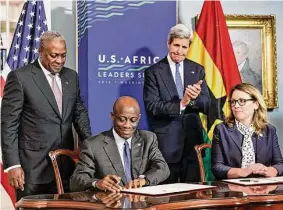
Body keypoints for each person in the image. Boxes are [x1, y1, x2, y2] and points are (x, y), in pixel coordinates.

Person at [1, 31, 92, 201]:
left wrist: (91, 147)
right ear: (40, 52)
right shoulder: (20, 78)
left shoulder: (71, 77)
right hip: (32, 168)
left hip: (65, 166)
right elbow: (8, 124)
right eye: (54, 55)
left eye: (63, 55)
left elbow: (78, 113)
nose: (59, 60)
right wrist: (13, 165)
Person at [143, 24, 210, 183]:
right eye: (176, 45)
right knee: (168, 196)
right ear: (168, 43)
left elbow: (207, 104)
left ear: (189, 47)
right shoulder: (153, 72)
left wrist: (193, 99)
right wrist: (182, 103)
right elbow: (152, 107)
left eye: (184, 47)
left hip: (193, 144)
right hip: (167, 144)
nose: (179, 51)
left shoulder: (197, 69)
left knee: (193, 194)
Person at [70, 96, 169, 192]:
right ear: (112, 116)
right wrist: (97, 183)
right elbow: (76, 180)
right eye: (122, 119)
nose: (127, 125)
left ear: (139, 118)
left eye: (133, 120)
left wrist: (144, 180)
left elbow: (162, 168)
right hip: (111, 203)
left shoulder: (148, 138)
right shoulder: (93, 145)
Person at [211, 83, 283, 180]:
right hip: (233, 189)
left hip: (263, 188)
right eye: (233, 102)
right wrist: (244, 171)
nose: (235, 106)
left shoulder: (269, 130)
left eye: (242, 101)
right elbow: (217, 168)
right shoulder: (221, 129)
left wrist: (268, 170)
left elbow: (279, 164)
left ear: (256, 104)